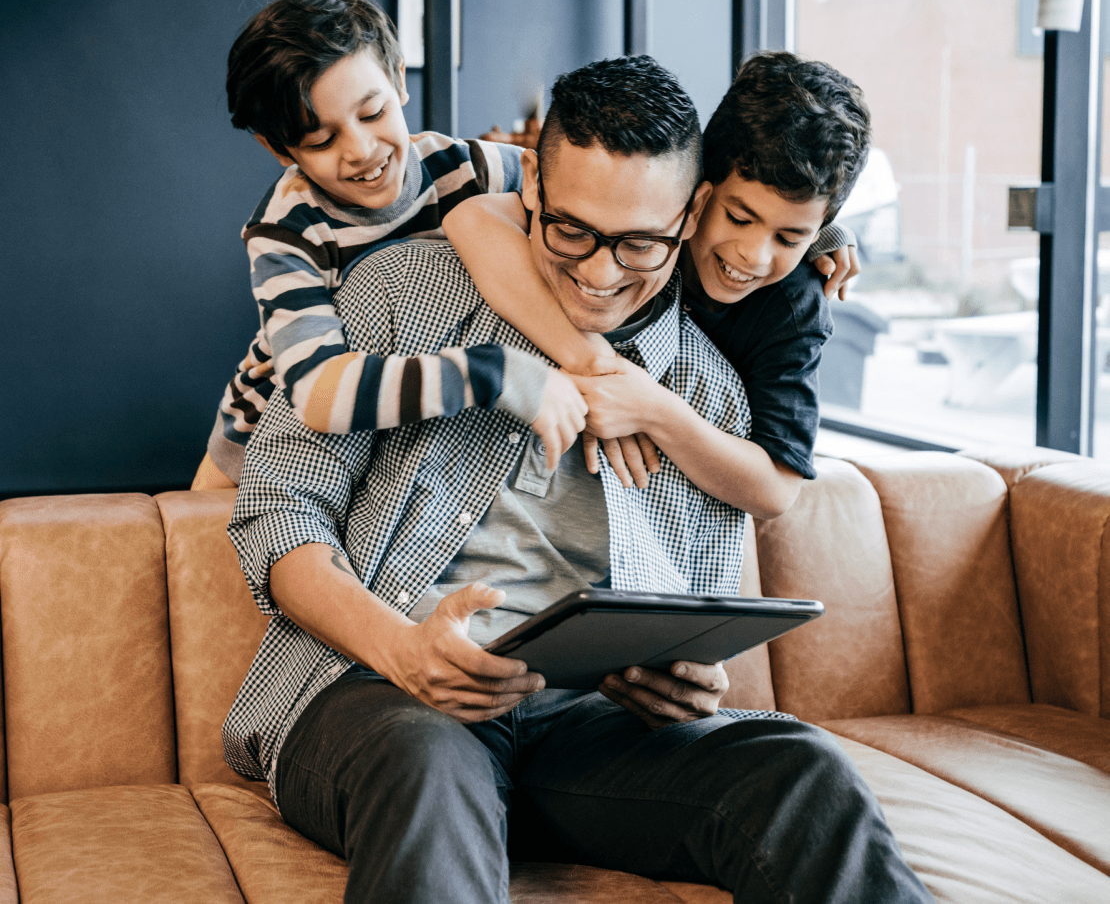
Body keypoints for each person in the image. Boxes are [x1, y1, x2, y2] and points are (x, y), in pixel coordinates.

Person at [224, 55, 931, 904]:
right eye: (570, 232)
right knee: (428, 760)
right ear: (529, 195)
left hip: (581, 731)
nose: (600, 273)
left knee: (800, 769)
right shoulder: (396, 293)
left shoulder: (704, 395)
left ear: (691, 213)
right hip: (374, 695)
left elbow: (693, 606)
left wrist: (678, 678)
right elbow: (275, 507)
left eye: (639, 242)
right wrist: (403, 651)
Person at [444, 51, 870, 519]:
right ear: (698, 190)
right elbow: (473, 216)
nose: (754, 254)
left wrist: (653, 411)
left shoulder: (794, 306)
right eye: (738, 217)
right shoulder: (636, 194)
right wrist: (594, 362)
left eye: (788, 237)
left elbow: (776, 490)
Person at [193, 0, 584, 491]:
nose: (360, 150)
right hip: (264, 441)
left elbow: (582, 204)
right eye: (321, 140)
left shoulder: (471, 170)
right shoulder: (286, 229)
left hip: (408, 440)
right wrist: (495, 373)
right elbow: (316, 393)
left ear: (399, 80)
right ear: (279, 147)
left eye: (373, 113)